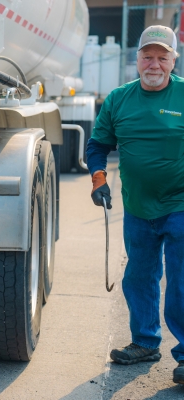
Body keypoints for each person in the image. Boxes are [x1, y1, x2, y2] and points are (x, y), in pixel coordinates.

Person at [86, 25, 184, 385]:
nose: (154, 63)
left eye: (162, 56)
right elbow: (98, 146)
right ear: (137, 59)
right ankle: (145, 342)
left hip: (180, 206)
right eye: (148, 56)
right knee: (140, 277)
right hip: (138, 208)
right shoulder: (118, 99)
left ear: (174, 60)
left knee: (182, 282)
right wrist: (99, 179)